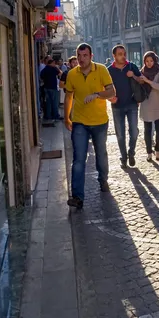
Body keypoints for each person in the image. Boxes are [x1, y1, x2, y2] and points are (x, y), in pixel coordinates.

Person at [64, 43, 115, 209]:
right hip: (79, 122)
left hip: (100, 121)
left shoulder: (101, 70)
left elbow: (111, 92)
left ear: (91, 56)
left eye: (85, 55)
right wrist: (66, 117)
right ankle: (77, 196)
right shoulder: (72, 74)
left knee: (101, 154)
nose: (81, 59)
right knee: (79, 159)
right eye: (79, 55)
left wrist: (96, 94)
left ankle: (103, 180)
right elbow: (69, 97)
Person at [107, 45, 143, 169]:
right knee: (120, 134)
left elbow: (141, 80)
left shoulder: (132, 66)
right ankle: (123, 158)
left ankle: (131, 152)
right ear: (114, 56)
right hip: (117, 106)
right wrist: (109, 98)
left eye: (124, 53)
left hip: (132, 104)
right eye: (120, 54)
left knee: (134, 132)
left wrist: (133, 75)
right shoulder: (109, 70)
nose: (123, 56)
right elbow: (103, 87)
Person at [140, 51, 159, 162]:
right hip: (146, 102)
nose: (149, 63)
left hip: (158, 102)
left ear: (154, 60)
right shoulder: (142, 71)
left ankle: (158, 150)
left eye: (151, 61)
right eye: (147, 61)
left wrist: (148, 81)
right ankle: (149, 152)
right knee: (147, 129)